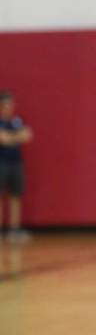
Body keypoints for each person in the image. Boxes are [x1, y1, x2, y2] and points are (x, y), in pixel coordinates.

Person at [0, 91, 33, 242]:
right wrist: (16, 137)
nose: (9, 107)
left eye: (11, 104)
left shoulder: (17, 121)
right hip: (2, 163)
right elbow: (3, 139)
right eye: (6, 104)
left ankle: (14, 230)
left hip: (16, 163)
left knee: (15, 196)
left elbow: (28, 134)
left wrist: (12, 137)